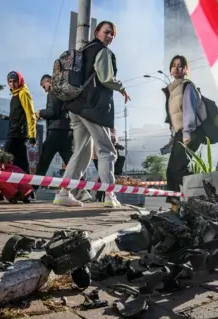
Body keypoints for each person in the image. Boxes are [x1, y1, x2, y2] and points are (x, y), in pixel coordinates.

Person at [53, 20, 130, 208]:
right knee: (107, 150)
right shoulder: (103, 51)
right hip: (92, 108)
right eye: (107, 32)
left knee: (81, 152)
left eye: (113, 34)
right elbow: (106, 78)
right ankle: (110, 195)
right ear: (96, 32)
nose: (110, 36)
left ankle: (63, 192)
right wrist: (122, 88)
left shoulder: (85, 50)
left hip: (76, 107)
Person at [33, 74, 93, 202]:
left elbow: (52, 112)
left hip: (55, 131)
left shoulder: (53, 92)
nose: (45, 90)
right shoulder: (64, 92)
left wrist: (40, 113)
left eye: (44, 86)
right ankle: (82, 191)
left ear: (48, 82)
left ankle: (32, 190)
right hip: (67, 131)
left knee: (43, 161)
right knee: (71, 162)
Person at [163, 55, 206, 211]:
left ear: (186, 69)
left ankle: (198, 198)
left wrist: (186, 133)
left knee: (178, 169)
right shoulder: (173, 89)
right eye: (174, 65)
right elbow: (175, 116)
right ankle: (176, 207)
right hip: (180, 133)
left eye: (180, 66)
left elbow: (189, 111)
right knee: (171, 171)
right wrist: (173, 136)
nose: (177, 68)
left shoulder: (187, 86)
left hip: (190, 132)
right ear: (170, 70)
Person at [5, 71, 36, 174]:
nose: (12, 84)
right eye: (10, 81)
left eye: (15, 81)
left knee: (3, 157)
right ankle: (28, 188)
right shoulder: (15, 94)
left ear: (19, 81)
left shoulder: (23, 93)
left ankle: (0, 187)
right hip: (15, 132)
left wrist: (32, 136)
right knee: (21, 163)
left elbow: (30, 115)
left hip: (18, 133)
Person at [93, 127, 125, 202]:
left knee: (103, 176)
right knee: (104, 175)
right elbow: (109, 139)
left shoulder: (113, 128)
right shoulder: (106, 125)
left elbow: (113, 140)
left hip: (103, 155)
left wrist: (117, 145)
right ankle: (105, 196)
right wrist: (116, 145)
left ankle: (102, 196)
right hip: (101, 155)